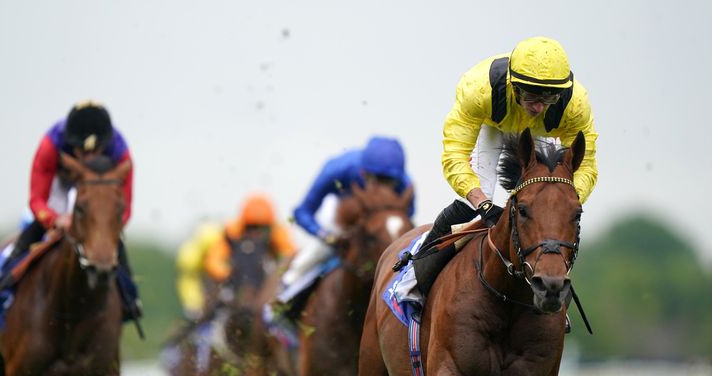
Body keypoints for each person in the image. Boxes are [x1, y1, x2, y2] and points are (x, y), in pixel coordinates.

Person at [403, 36, 599, 297]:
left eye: (549, 97)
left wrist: (567, 199)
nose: (539, 106)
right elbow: (454, 156)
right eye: (531, 95)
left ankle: (555, 297)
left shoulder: (574, 105)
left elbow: (585, 165)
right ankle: (413, 280)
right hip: (493, 126)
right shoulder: (479, 90)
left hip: (541, 133)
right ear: (513, 86)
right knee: (475, 198)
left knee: (549, 209)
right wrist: (482, 203)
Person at [0, 100, 142, 320]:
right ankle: (0, 288)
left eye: (96, 152)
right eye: (82, 152)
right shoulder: (51, 143)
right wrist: (54, 220)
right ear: (71, 144)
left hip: (99, 192)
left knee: (116, 242)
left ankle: (130, 300)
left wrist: (104, 229)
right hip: (60, 187)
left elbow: (124, 208)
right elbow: (37, 200)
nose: (88, 158)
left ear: (105, 145)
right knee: (33, 230)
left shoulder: (120, 150)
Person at [268, 136, 416, 323]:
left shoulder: (405, 184)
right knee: (316, 253)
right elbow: (302, 212)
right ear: (363, 173)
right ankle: (285, 297)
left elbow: (405, 222)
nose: (381, 190)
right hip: (341, 215)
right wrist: (327, 236)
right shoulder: (338, 168)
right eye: (376, 180)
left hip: (377, 227)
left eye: (389, 183)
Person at [201, 193, 296, 310]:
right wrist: (228, 273)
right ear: (244, 224)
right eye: (252, 227)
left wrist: (278, 275)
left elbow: (290, 256)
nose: (256, 234)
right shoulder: (232, 231)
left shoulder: (278, 232)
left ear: (269, 226)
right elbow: (213, 261)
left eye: (262, 228)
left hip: (264, 280)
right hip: (234, 281)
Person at [175, 222, 225, 321]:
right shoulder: (191, 259)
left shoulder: (220, 253)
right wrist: (195, 305)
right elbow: (189, 284)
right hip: (196, 298)